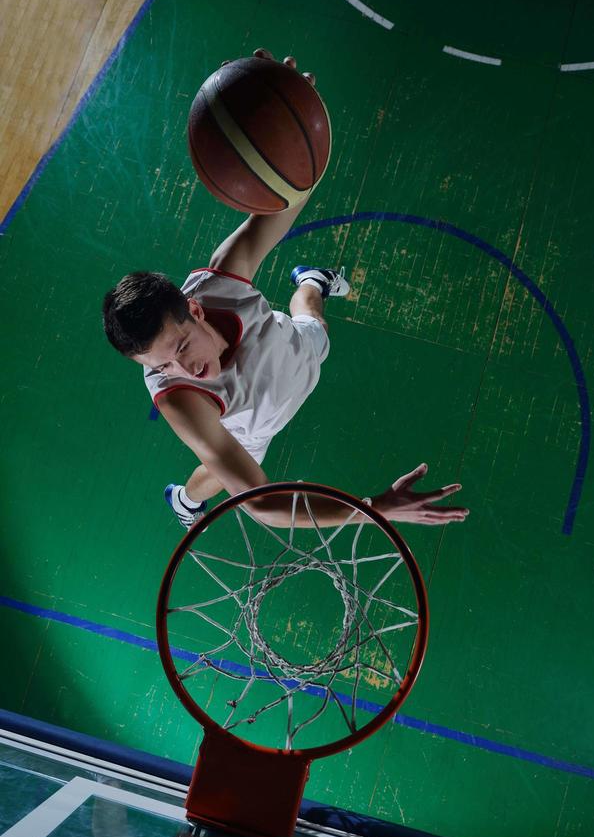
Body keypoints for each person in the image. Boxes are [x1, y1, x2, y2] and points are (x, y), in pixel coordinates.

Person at [102, 49, 469, 531]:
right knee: (218, 472)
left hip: (297, 350)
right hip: (252, 423)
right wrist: (373, 508)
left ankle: (312, 281)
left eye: (182, 347)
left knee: (313, 317)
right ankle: (184, 502)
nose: (181, 370)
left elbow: (294, 190)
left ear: (195, 308)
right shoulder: (179, 397)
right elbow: (259, 503)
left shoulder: (223, 278)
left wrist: (291, 120)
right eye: (159, 366)